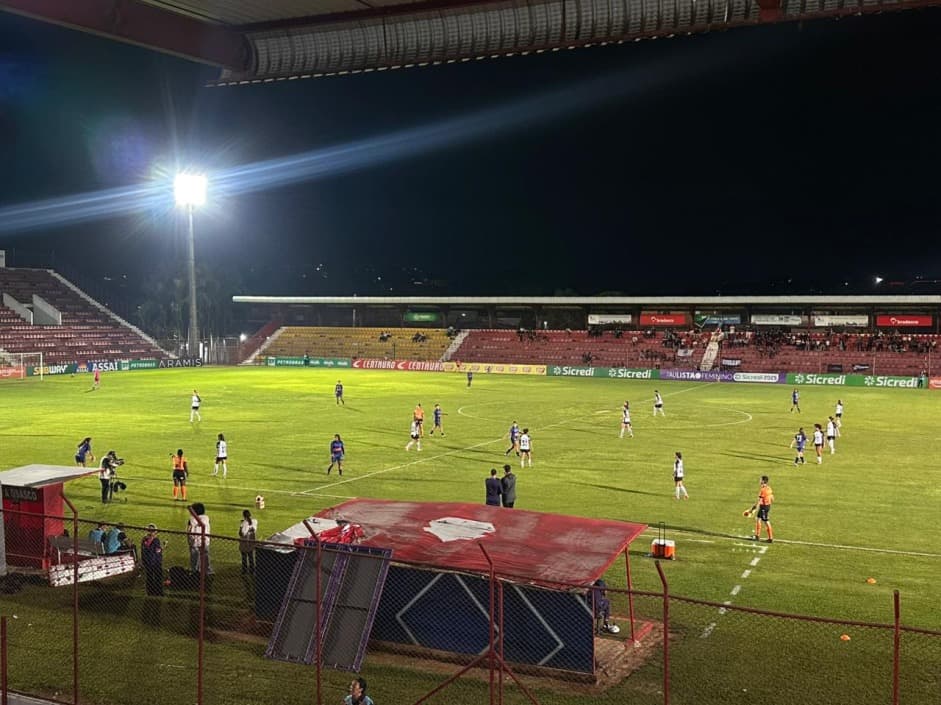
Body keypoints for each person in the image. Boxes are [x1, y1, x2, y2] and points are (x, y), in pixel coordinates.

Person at [187, 502, 212, 574]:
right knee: (205, 558)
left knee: (194, 560)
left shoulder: (191, 520)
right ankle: (207, 572)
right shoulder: (207, 518)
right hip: (205, 542)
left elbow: (189, 531)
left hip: (195, 543)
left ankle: (195, 573)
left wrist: (189, 542)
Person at [141, 523, 164, 596]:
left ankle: (150, 592)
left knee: (149, 577)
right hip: (156, 561)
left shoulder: (144, 539)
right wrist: (164, 546)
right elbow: (157, 550)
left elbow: (144, 549)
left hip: (147, 561)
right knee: (158, 576)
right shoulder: (156, 540)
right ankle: (158, 591)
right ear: (154, 531)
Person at [750, 476, 774, 543]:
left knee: (766, 521)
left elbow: (759, 501)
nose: (759, 480)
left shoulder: (762, 490)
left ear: (763, 481)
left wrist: (753, 509)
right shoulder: (769, 488)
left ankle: (770, 538)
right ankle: (757, 536)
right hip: (766, 506)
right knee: (758, 519)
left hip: (764, 507)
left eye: (760, 480)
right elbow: (772, 498)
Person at [238, 509, 258, 575]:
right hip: (251, 543)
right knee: (251, 557)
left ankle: (244, 571)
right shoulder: (255, 521)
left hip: (244, 542)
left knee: (244, 558)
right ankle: (252, 571)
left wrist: (241, 526)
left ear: (243, 515)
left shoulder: (244, 524)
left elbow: (241, 534)